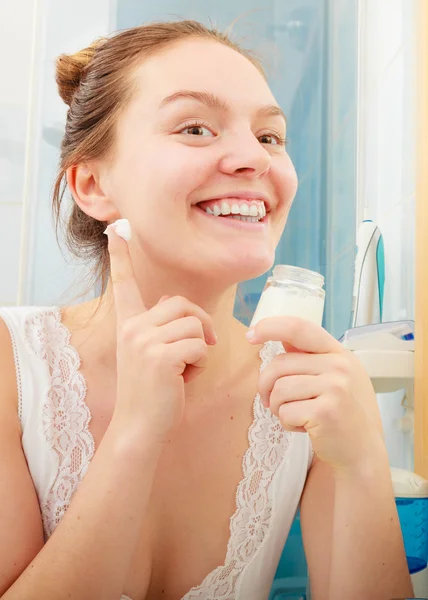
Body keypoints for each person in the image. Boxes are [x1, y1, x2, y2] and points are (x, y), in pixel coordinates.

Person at [0, 20, 413, 600]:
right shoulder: (10, 363)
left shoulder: (309, 395)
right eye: (196, 128)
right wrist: (136, 432)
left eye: (271, 137)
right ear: (92, 183)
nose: (254, 158)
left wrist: (360, 461)